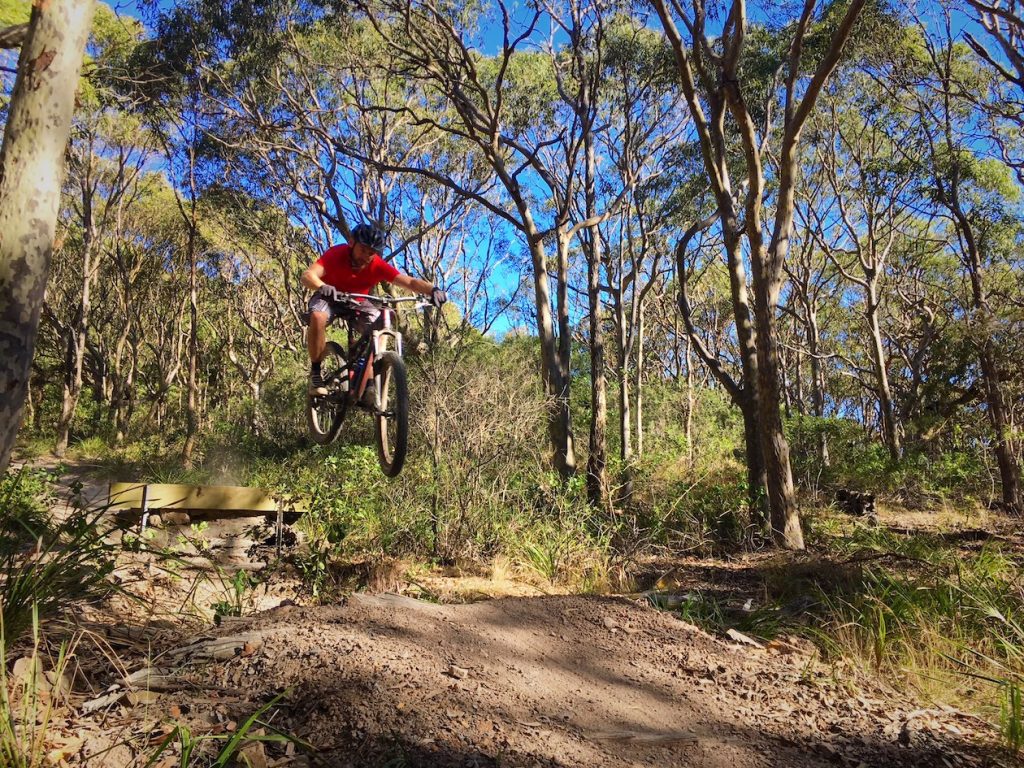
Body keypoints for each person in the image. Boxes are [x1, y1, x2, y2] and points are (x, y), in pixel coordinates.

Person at [301, 223, 446, 397]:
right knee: (317, 316)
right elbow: (308, 275)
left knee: (381, 321)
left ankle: (365, 376)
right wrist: (322, 285)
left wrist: (433, 290)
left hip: (357, 301)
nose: (366, 256)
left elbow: (409, 282)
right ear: (352, 243)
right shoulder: (336, 254)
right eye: (363, 250)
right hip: (329, 296)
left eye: (371, 253)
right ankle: (316, 372)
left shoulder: (376, 265)